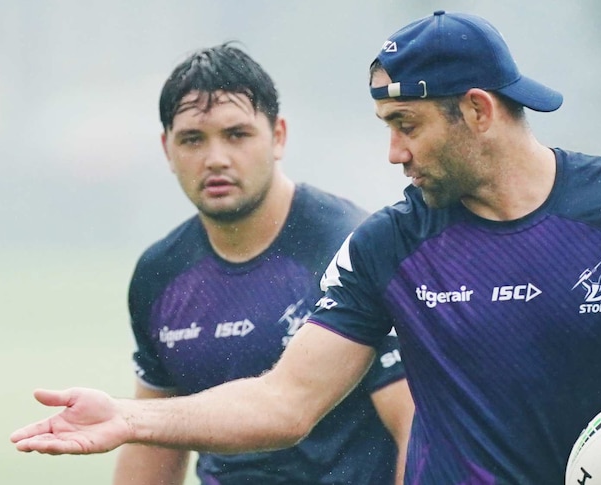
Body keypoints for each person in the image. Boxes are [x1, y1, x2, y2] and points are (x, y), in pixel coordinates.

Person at [11, 12, 601, 485]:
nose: (393, 154)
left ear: (476, 111)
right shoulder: (388, 247)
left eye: (407, 125)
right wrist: (129, 416)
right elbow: (284, 402)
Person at [109, 43, 413, 485]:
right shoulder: (161, 273)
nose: (216, 158)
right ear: (166, 149)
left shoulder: (351, 249)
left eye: (237, 134)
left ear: (279, 136)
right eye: (193, 139)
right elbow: (155, 436)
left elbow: (416, 427)